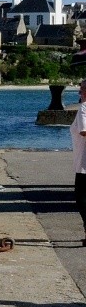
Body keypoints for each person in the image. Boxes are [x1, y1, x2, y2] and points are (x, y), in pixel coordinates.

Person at [72, 79, 86, 245]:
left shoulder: (84, 108)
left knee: (81, 197)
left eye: (81, 90)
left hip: (84, 162)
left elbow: (83, 131)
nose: (79, 93)